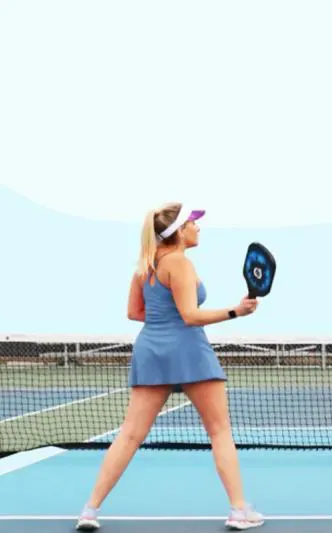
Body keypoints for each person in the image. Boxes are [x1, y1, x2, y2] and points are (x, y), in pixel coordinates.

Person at [76, 203, 265, 531]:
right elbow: (190, 316)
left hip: (151, 351)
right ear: (179, 231)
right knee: (220, 432)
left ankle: (89, 511)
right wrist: (236, 312)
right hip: (189, 351)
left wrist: (165, 322)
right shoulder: (180, 263)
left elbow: (135, 313)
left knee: (130, 435)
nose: (198, 228)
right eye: (193, 223)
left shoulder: (145, 265)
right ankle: (238, 511)